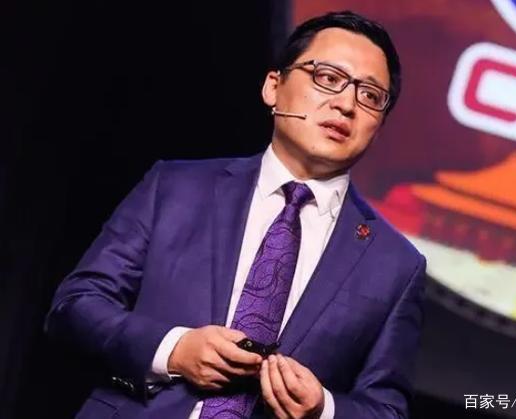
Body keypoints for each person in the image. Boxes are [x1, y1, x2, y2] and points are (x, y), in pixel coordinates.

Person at [46, 10, 427, 419]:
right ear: (273, 87)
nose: (346, 104)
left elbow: (387, 408)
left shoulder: (395, 265)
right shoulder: (175, 188)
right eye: (328, 78)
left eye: (370, 96)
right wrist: (174, 350)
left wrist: (324, 409)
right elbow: (76, 306)